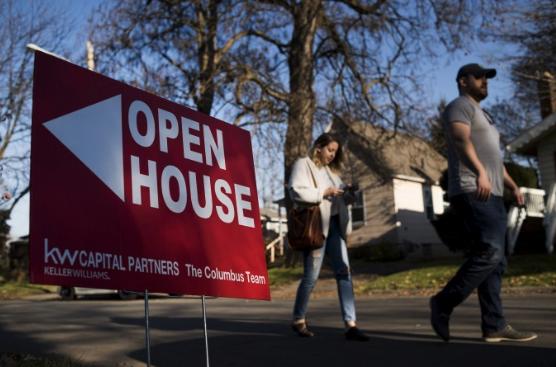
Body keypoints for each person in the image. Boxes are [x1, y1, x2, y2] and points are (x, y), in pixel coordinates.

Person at [429, 63, 538, 343]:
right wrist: (479, 172)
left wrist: (512, 185)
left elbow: (494, 160)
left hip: (492, 191)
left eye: (487, 78)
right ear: (463, 81)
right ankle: (443, 302)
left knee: (496, 261)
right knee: (490, 251)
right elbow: (458, 139)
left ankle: (494, 325)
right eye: (479, 77)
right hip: (471, 189)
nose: (485, 81)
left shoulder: (485, 116)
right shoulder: (459, 106)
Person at [288, 132, 368, 341]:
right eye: (330, 150)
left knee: (344, 273)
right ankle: (298, 319)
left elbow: (341, 202)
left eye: (335, 151)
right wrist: (323, 193)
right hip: (316, 228)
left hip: (335, 228)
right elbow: (295, 192)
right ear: (318, 147)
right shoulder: (303, 165)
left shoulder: (332, 174)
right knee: (311, 277)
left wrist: (349, 192)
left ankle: (350, 324)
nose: (332, 154)